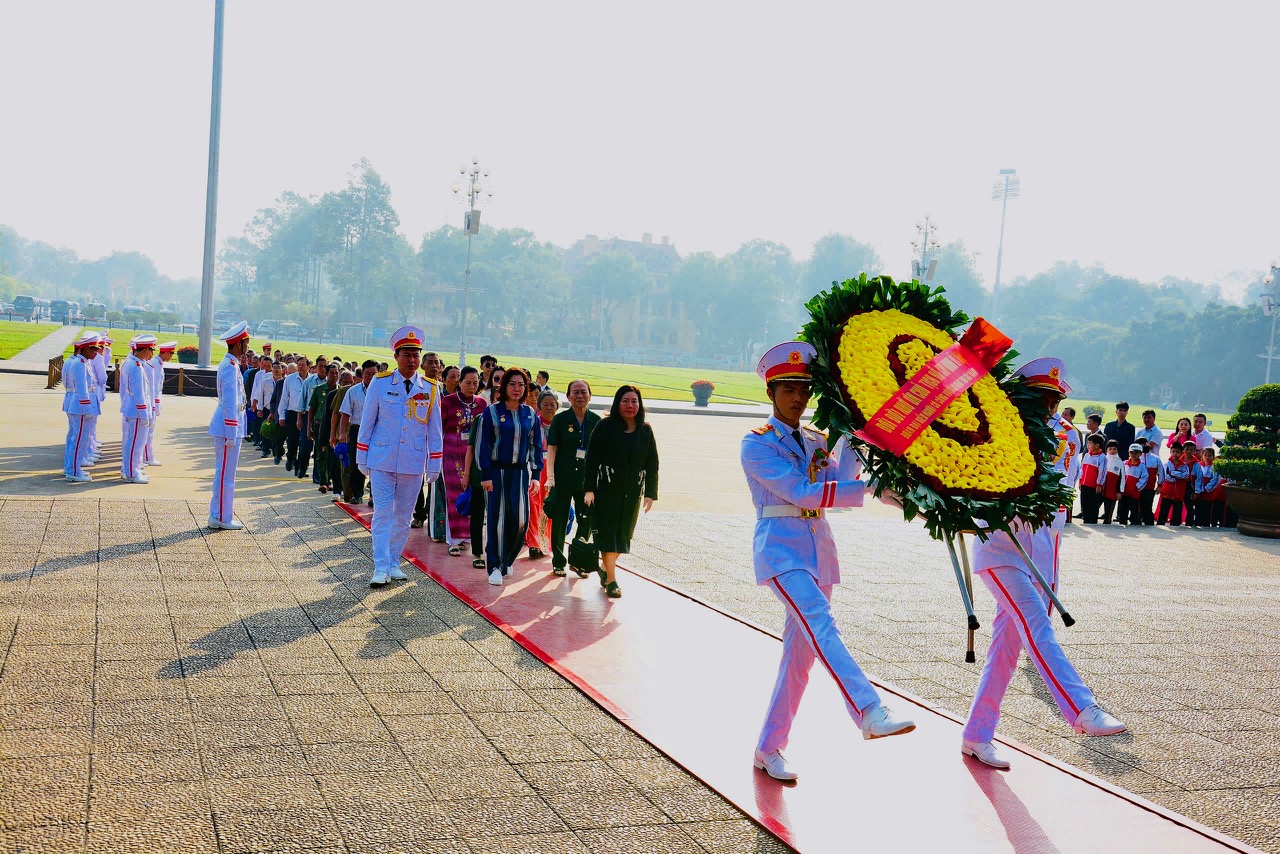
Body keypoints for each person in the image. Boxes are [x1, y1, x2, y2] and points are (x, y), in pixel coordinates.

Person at [743, 342, 915, 783]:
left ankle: (768, 747)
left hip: (819, 551)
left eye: (804, 389)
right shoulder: (756, 444)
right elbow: (802, 492)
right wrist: (864, 492)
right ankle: (868, 710)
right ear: (771, 392)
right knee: (822, 624)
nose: (798, 398)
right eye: (788, 390)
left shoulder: (819, 438)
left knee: (798, 660)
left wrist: (854, 432)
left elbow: (843, 481)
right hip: (781, 551)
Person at [961, 357, 1126, 770]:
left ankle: (977, 734)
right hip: (1000, 547)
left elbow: (1060, 498)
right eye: (1041, 398)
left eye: (1054, 400)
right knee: (1037, 625)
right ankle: (1082, 708)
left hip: (1042, 550)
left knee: (1005, 650)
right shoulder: (997, 431)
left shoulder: (1067, 436)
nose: (1049, 408)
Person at [356, 326, 443, 586]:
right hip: (382, 459)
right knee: (383, 513)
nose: (412, 360)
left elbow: (434, 430)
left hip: (412, 462)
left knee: (403, 516)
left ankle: (394, 561)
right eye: (407, 354)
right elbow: (368, 420)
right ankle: (380, 567)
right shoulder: (381, 383)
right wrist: (362, 454)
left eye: (416, 355)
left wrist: (434, 463)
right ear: (396, 356)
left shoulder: (429, 388)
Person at [583, 386, 658, 599]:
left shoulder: (645, 430)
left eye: (634, 401)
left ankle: (606, 569)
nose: (630, 406)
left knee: (623, 536)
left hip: (632, 492)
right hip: (607, 490)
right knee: (608, 535)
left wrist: (650, 493)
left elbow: (652, 462)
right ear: (617, 403)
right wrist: (589, 489)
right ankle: (612, 581)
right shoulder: (604, 427)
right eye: (625, 401)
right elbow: (592, 459)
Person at [476, 367, 543, 586]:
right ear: (504, 386)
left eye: (521, 385)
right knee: (497, 520)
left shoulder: (530, 414)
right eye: (512, 384)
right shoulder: (492, 412)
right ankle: (495, 565)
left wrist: (536, 474)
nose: (517, 389)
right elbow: (482, 446)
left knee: (520, 520)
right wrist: (485, 474)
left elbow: (535, 445)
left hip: (520, 473)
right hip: (496, 472)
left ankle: (508, 559)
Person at [546, 379, 600, 578]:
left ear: (590, 395)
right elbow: (552, 449)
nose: (579, 396)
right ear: (568, 396)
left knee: (585, 520)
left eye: (583, 392)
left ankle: (579, 561)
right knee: (560, 519)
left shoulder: (596, 421)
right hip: (563, 477)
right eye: (575, 392)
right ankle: (558, 561)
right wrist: (550, 477)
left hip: (587, 480)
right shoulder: (560, 420)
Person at [440, 366, 487, 556]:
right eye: (468, 382)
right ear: (459, 382)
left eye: (475, 383)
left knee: (473, 495)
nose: (472, 386)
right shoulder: (448, 401)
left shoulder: (482, 404)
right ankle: (453, 540)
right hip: (451, 451)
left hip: (474, 455)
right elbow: (440, 428)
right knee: (453, 495)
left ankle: (467, 536)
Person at [208, 322, 251, 530]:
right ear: (239, 344)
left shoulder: (230, 364)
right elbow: (230, 404)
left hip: (228, 427)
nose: (248, 347)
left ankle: (219, 514)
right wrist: (232, 433)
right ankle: (222, 517)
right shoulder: (230, 367)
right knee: (226, 474)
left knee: (225, 473)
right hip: (227, 428)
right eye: (246, 343)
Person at [413, 351, 448, 536]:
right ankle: (419, 514)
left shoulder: (445, 388)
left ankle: (430, 510)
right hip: (419, 440)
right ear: (422, 366)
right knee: (417, 478)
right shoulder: (417, 387)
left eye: (437, 363)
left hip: (438, 440)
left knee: (435, 478)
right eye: (430, 363)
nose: (434, 366)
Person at [62, 331, 102, 483]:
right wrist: (88, 410)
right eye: (94, 350)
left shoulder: (83, 363)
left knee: (75, 439)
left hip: (78, 406)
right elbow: (82, 389)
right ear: (86, 349)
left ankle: (72, 468)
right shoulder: (80, 364)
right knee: (78, 440)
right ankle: (73, 471)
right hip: (80, 408)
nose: (96, 353)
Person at [119, 334, 157, 485]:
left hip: (133, 408)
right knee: (134, 442)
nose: (152, 354)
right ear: (146, 349)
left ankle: (132, 469)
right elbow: (139, 393)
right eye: (151, 350)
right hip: (136, 409)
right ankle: (130, 472)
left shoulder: (134, 363)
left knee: (136, 442)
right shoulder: (135, 366)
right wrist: (144, 414)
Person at [339, 360, 378, 505]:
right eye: (368, 374)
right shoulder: (353, 391)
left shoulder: (383, 391)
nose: (371, 377)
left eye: (374, 374)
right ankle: (357, 494)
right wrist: (342, 433)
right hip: (357, 430)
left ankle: (374, 495)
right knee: (357, 463)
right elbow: (345, 415)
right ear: (362, 374)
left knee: (376, 464)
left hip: (377, 432)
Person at [525, 391, 558, 560]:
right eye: (545, 404)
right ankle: (533, 543)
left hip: (554, 470)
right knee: (533, 506)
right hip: (536, 468)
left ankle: (546, 544)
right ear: (538, 406)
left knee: (549, 507)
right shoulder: (533, 424)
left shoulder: (561, 424)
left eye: (552, 404)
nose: (549, 408)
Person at [143, 341, 176, 467]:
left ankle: (147, 456)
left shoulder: (157, 364)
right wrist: (155, 405)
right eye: (172, 353)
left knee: (149, 432)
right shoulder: (155, 365)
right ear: (166, 353)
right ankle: (147, 457)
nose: (172, 356)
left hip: (153, 400)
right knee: (149, 432)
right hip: (151, 401)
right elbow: (153, 387)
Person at [309, 363, 340, 494]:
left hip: (334, 426)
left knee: (334, 456)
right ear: (326, 374)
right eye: (331, 373)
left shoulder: (341, 391)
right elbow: (312, 409)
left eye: (336, 373)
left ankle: (332, 481)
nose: (334, 375)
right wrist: (308, 428)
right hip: (319, 425)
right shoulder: (318, 389)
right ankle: (323, 482)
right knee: (321, 454)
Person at [279, 356, 310, 475]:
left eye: (303, 364)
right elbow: (284, 398)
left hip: (306, 414)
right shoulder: (290, 379)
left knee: (304, 443)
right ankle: (290, 458)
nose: (301, 367)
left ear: (308, 366)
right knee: (293, 441)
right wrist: (281, 415)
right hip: (292, 414)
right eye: (299, 364)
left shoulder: (312, 380)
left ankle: (300, 467)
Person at [1117, 443, 1148, 526]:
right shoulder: (1124, 463)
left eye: (1136, 452)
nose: (1134, 454)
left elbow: (1144, 478)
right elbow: (1119, 476)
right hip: (1124, 493)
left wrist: (1137, 487)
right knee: (1122, 512)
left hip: (1134, 494)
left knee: (1134, 514)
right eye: (1132, 452)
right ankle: (1122, 524)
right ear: (1128, 452)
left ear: (1141, 454)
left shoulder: (1142, 466)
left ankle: (1134, 526)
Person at [1193, 447, 1225, 528]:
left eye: (1210, 455)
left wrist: (1206, 488)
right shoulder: (1199, 465)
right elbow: (1195, 477)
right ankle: (1197, 524)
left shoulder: (1214, 467)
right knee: (1198, 509)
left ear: (1213, 456)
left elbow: (1215, 480)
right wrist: (1197, 489)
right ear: (1202, 456)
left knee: (1206, 510)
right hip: (1198, 491)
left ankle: (1205, 525)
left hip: (1208, 493)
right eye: (1205, 455)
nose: (1207, 457)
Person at [1077, 435, 1105, 524]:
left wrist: (1099, 484)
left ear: (1097, 445)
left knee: (1093, 506)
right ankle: (1086, 520)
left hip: (1094, 486)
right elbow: (1082, 469)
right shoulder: (1087, 455)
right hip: (1084, 484)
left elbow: (1102, 472)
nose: (1088, 445)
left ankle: (1092, 522)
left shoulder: (1102, 457)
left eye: (1089, 443)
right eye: (1087, 443)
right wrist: (1080, 480)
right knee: (1084, 505)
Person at [1100, 440, 1123, 524]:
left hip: (1112, 489)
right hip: (1102, 487)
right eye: (1110, 449)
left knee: (1109, 509)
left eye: (1114, 449)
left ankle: (1107, 522)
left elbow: (1122, 477)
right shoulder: (1103, 458)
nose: (1112, 451)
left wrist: (1120, 491)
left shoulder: (1119, 461)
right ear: (1106, 449)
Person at [1140, 439, 1162, 525]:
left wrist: (1159, 485)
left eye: (1145, 444)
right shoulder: (1135, 457)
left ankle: (1149, 524)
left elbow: (1161, 472)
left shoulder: (1155, 459)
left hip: (1149, 487)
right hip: (1136, 488)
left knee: (1147, 507)